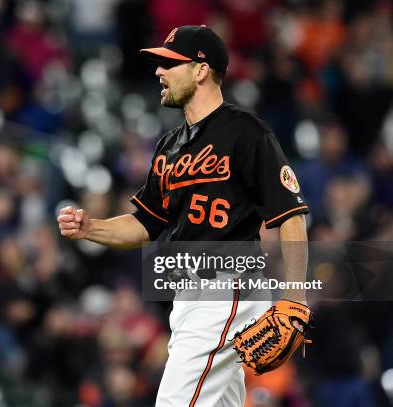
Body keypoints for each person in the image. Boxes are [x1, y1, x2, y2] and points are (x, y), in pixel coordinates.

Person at [57, 25, 310, 406]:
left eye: (169, 63)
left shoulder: (245, 132)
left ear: (201, 70)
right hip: (188, 299)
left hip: (226, 289)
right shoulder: (170, 146)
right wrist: (92, 228)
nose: (159, 71)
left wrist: (295, 298)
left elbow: (290, 215)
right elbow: (143, 225)